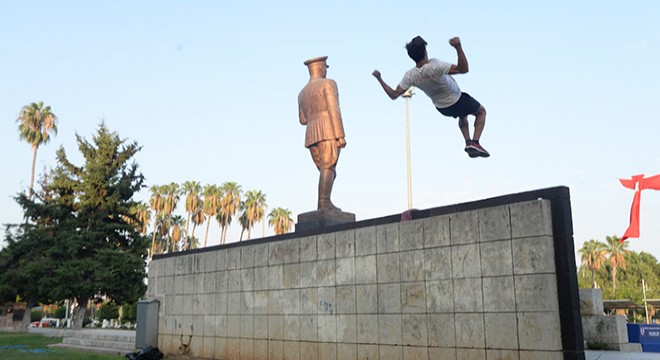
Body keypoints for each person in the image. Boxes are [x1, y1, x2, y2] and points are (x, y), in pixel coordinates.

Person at [373, 36, 489, 158]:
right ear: (425, 53)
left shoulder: (410, 75)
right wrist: (458, 47)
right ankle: (475, 142)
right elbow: (463, 69)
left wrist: (379, 79)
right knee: (481, 112)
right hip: (456, 100)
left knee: (462, 115)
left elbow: (394, 94)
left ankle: (468, 142)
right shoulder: (435, 65)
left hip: (442, 108)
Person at [298, 56, 347, 210]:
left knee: (325, 169)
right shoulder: (328, 84)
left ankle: (324, 201)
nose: (326, 70)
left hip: (311, 133)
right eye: (325, 67)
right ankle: (324, 202)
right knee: (328, 167)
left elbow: (302, 119)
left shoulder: (302, 93)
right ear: (320, 68)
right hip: (327, 129)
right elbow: (334, 108)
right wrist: (340, 135)